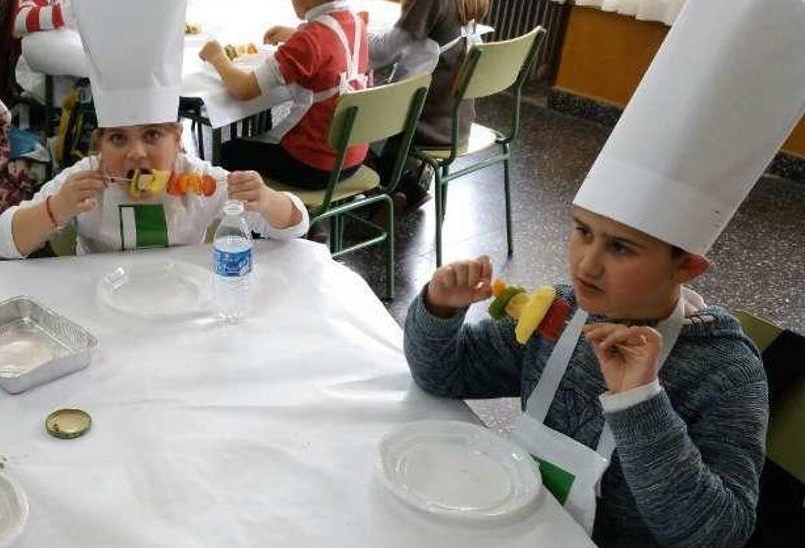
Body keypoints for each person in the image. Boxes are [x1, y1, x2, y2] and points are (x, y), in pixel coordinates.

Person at [402, 0, 803, 544]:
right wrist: (439, 310)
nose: (587, 262)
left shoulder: (725, 373)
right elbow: (445, 375)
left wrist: (641, 402)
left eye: (621, 248)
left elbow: (719, 534)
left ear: (686, 264)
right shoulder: (562, 313)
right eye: (582, 231)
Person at [0, 0, 308, 258]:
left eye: (152, 135)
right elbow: (2, 243)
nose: (136, 152)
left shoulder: (200, 182)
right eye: (117, 138)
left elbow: (295, 225)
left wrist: (266, 199)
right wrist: (56, 208)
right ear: (100, 144)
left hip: (181, 303)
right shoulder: (86, 179)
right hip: (99, 309)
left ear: (178, 140)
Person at [199, 0, 368, 191]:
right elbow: (331, 47)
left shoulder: (309, 41)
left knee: (230, 150)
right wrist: (296, 34)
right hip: (352, 158)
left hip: (314, 165)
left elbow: (243, 89)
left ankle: (245, 216)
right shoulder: (357, 22)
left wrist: (217, 56)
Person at [366, 0, 489, 213]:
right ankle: (401, 185)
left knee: (349, 118)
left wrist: (355, 30)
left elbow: (381, 54)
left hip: (425, 123)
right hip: (455, 120)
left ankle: (394, 184)